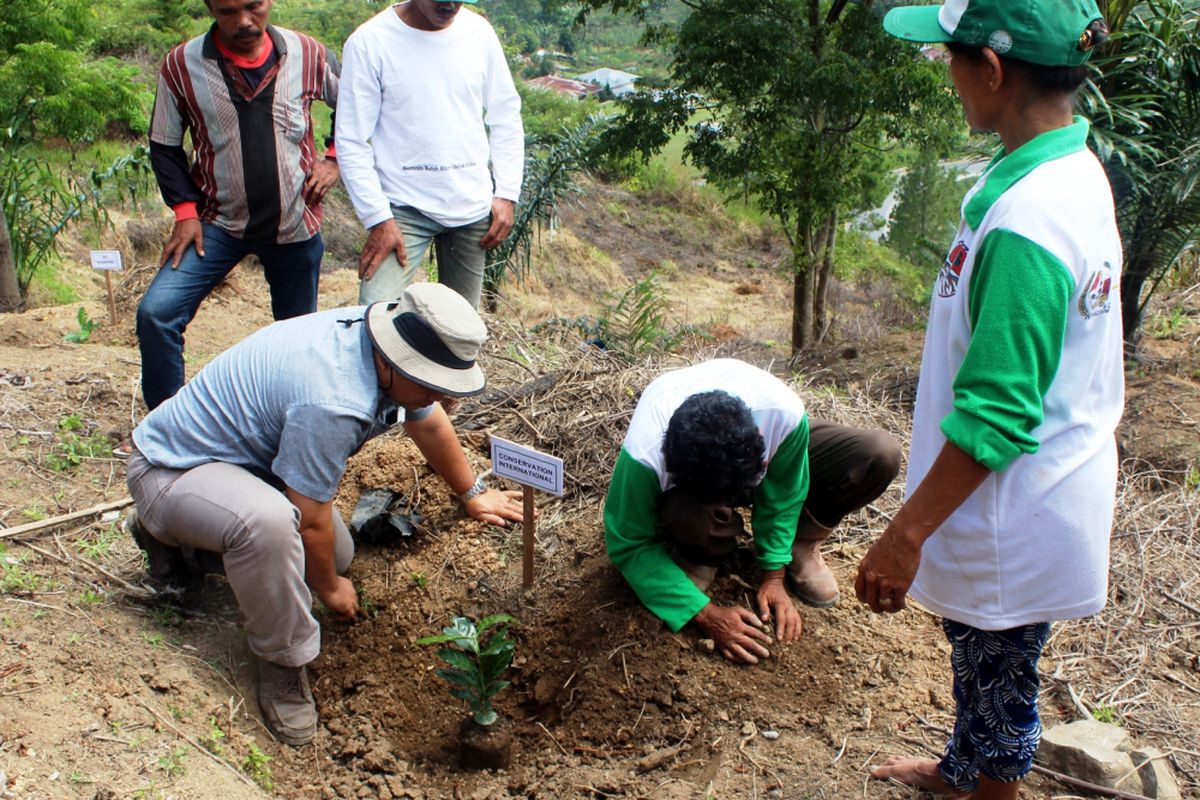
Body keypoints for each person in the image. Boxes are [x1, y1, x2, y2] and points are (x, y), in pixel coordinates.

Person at [856, 3, 1122, 798]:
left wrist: (904, 537)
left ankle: (987, 785)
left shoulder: (1033, 223)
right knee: (980, 657)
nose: (947, 73)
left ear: (995, 71)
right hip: (1025, 495)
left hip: (1014, 506)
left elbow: (998, 414)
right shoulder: (1064, 170)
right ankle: (958, 769)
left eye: (951, 56)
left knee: (1005, 687)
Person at [125, 283, 525, 746]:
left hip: (248, 469)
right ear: (393, 362)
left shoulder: (384, 339)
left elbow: (429, 418)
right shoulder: (333, 399)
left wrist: (472, 493)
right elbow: (309, 519)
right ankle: (282, 662)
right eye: (435, 384)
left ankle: (195, 544)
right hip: (172, 471)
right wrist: (331, 591)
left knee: (334, 554)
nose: (445, 399)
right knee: (272, 527)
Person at [604, 359, 901, 664]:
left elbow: (784, 493)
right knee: (684, 512)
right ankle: (705, 550)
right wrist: (705, 614)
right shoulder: (645, 453)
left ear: (761, 453)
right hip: (696, 468)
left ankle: (801, 543)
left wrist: (774, 574)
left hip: (754, 440)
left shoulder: (782, 415)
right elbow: (628, 542)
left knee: (879, 454)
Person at [137, 0, 340, 411]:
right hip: (217, 223)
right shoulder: (181, 65)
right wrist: (185, 213)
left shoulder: (309, 53)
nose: (244, 21)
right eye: (228, 11)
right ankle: (166, 424)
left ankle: (287, 421)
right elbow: (164, 143)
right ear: (211, 7)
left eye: (254, 6)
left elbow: (356, 105)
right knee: (157, 313)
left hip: (294, 224)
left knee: (296, 338)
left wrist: (334, 158)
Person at [335, 0, 524, 309]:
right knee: (375, 318)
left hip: (470, 206)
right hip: (402, 208)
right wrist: (378, 218)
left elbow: (505, 115)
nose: (449, 4)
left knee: (460, 331)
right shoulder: (371, 42)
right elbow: (352, 139)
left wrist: (506, 193)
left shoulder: (479, 33)